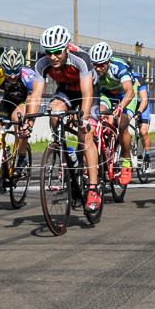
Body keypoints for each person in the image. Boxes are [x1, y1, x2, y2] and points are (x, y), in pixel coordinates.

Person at [26, 25, 102, 211]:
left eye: (57, 52)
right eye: (49, 52)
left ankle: (93, 188)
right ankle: (66, 152)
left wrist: (83, 121)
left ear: (66, 47)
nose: (53, 57)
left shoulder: (81, 59)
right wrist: (29, 123)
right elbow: (35, 96)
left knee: (85, 136)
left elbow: (86, 93)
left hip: (87, 92)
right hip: (66, 90)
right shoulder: (42, 64)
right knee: (54, 114)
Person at [89, 42, 135, 186]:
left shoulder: (118, 67)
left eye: (102, 64)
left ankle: (126, 162)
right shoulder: (91, 69)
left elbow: (130, 91)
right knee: (99, 115)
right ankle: (106, 145)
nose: (99, 68)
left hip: (124, 95)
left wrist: (121, 107)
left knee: (122, 124)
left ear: (108, 61)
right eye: (96, 65)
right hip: (107, 95)